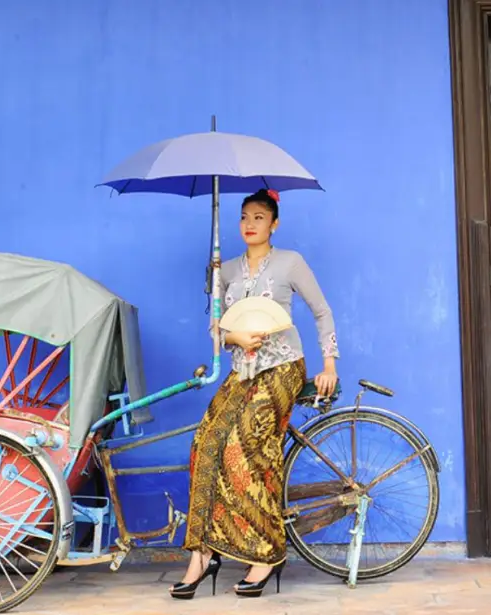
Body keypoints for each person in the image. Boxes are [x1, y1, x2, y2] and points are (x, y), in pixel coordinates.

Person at [169, 188, 339, 599]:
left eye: (259, 217)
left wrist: (328, 363)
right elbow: (216, 328)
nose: (250, 223)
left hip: (281, 368)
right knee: (206, 444)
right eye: (245, 216)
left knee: (242, 449)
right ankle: (202, 554)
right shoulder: (225, 270)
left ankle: (265, 552)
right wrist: (232, 335)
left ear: (274, 223)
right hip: (241, 371)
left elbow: (321, 311)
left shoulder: (290, 262)